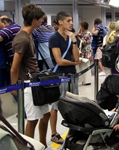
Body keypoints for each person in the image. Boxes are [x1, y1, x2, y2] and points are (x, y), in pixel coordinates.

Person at [10, 4, 50, 147]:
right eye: (41, 19)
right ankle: (29, 147)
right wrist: (14, 86)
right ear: (34, 20)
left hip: (36, 82)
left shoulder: (29, 35)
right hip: (28, 84)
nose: (42, 22)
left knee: (46, 115)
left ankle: (42, 144)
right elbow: (14, 67)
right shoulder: (22, 38)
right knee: (32, 120)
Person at [48, 11, 81, 144]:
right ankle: (54, 133)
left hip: (72, 74)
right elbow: (59, 61)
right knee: (56, 104)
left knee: (74, 102)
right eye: (68, 20)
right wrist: (74, 63)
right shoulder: (54, 38)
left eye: (71, 20)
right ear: (60, 22)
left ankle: (74, 129)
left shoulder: (71, 37)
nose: (71, 23)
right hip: (60, 75)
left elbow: (76, 57)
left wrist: (73, 40)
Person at [0, 17, 21, 86]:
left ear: (4, 22)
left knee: (13, 86)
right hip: (22, 58)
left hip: (15, 59)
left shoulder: (7, 29)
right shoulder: (18, 27)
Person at [76, 21, 93, 85]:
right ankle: (84, 80)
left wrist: (79, 39)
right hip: (84, 50)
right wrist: (80, 30)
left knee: (85, 65)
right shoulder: (84, 33)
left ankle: (87, 80)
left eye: (81, 27)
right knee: (82, 66)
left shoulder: (88, 34)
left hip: (86, 50)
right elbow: (77, 34)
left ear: (83, 27)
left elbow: (84, 42)